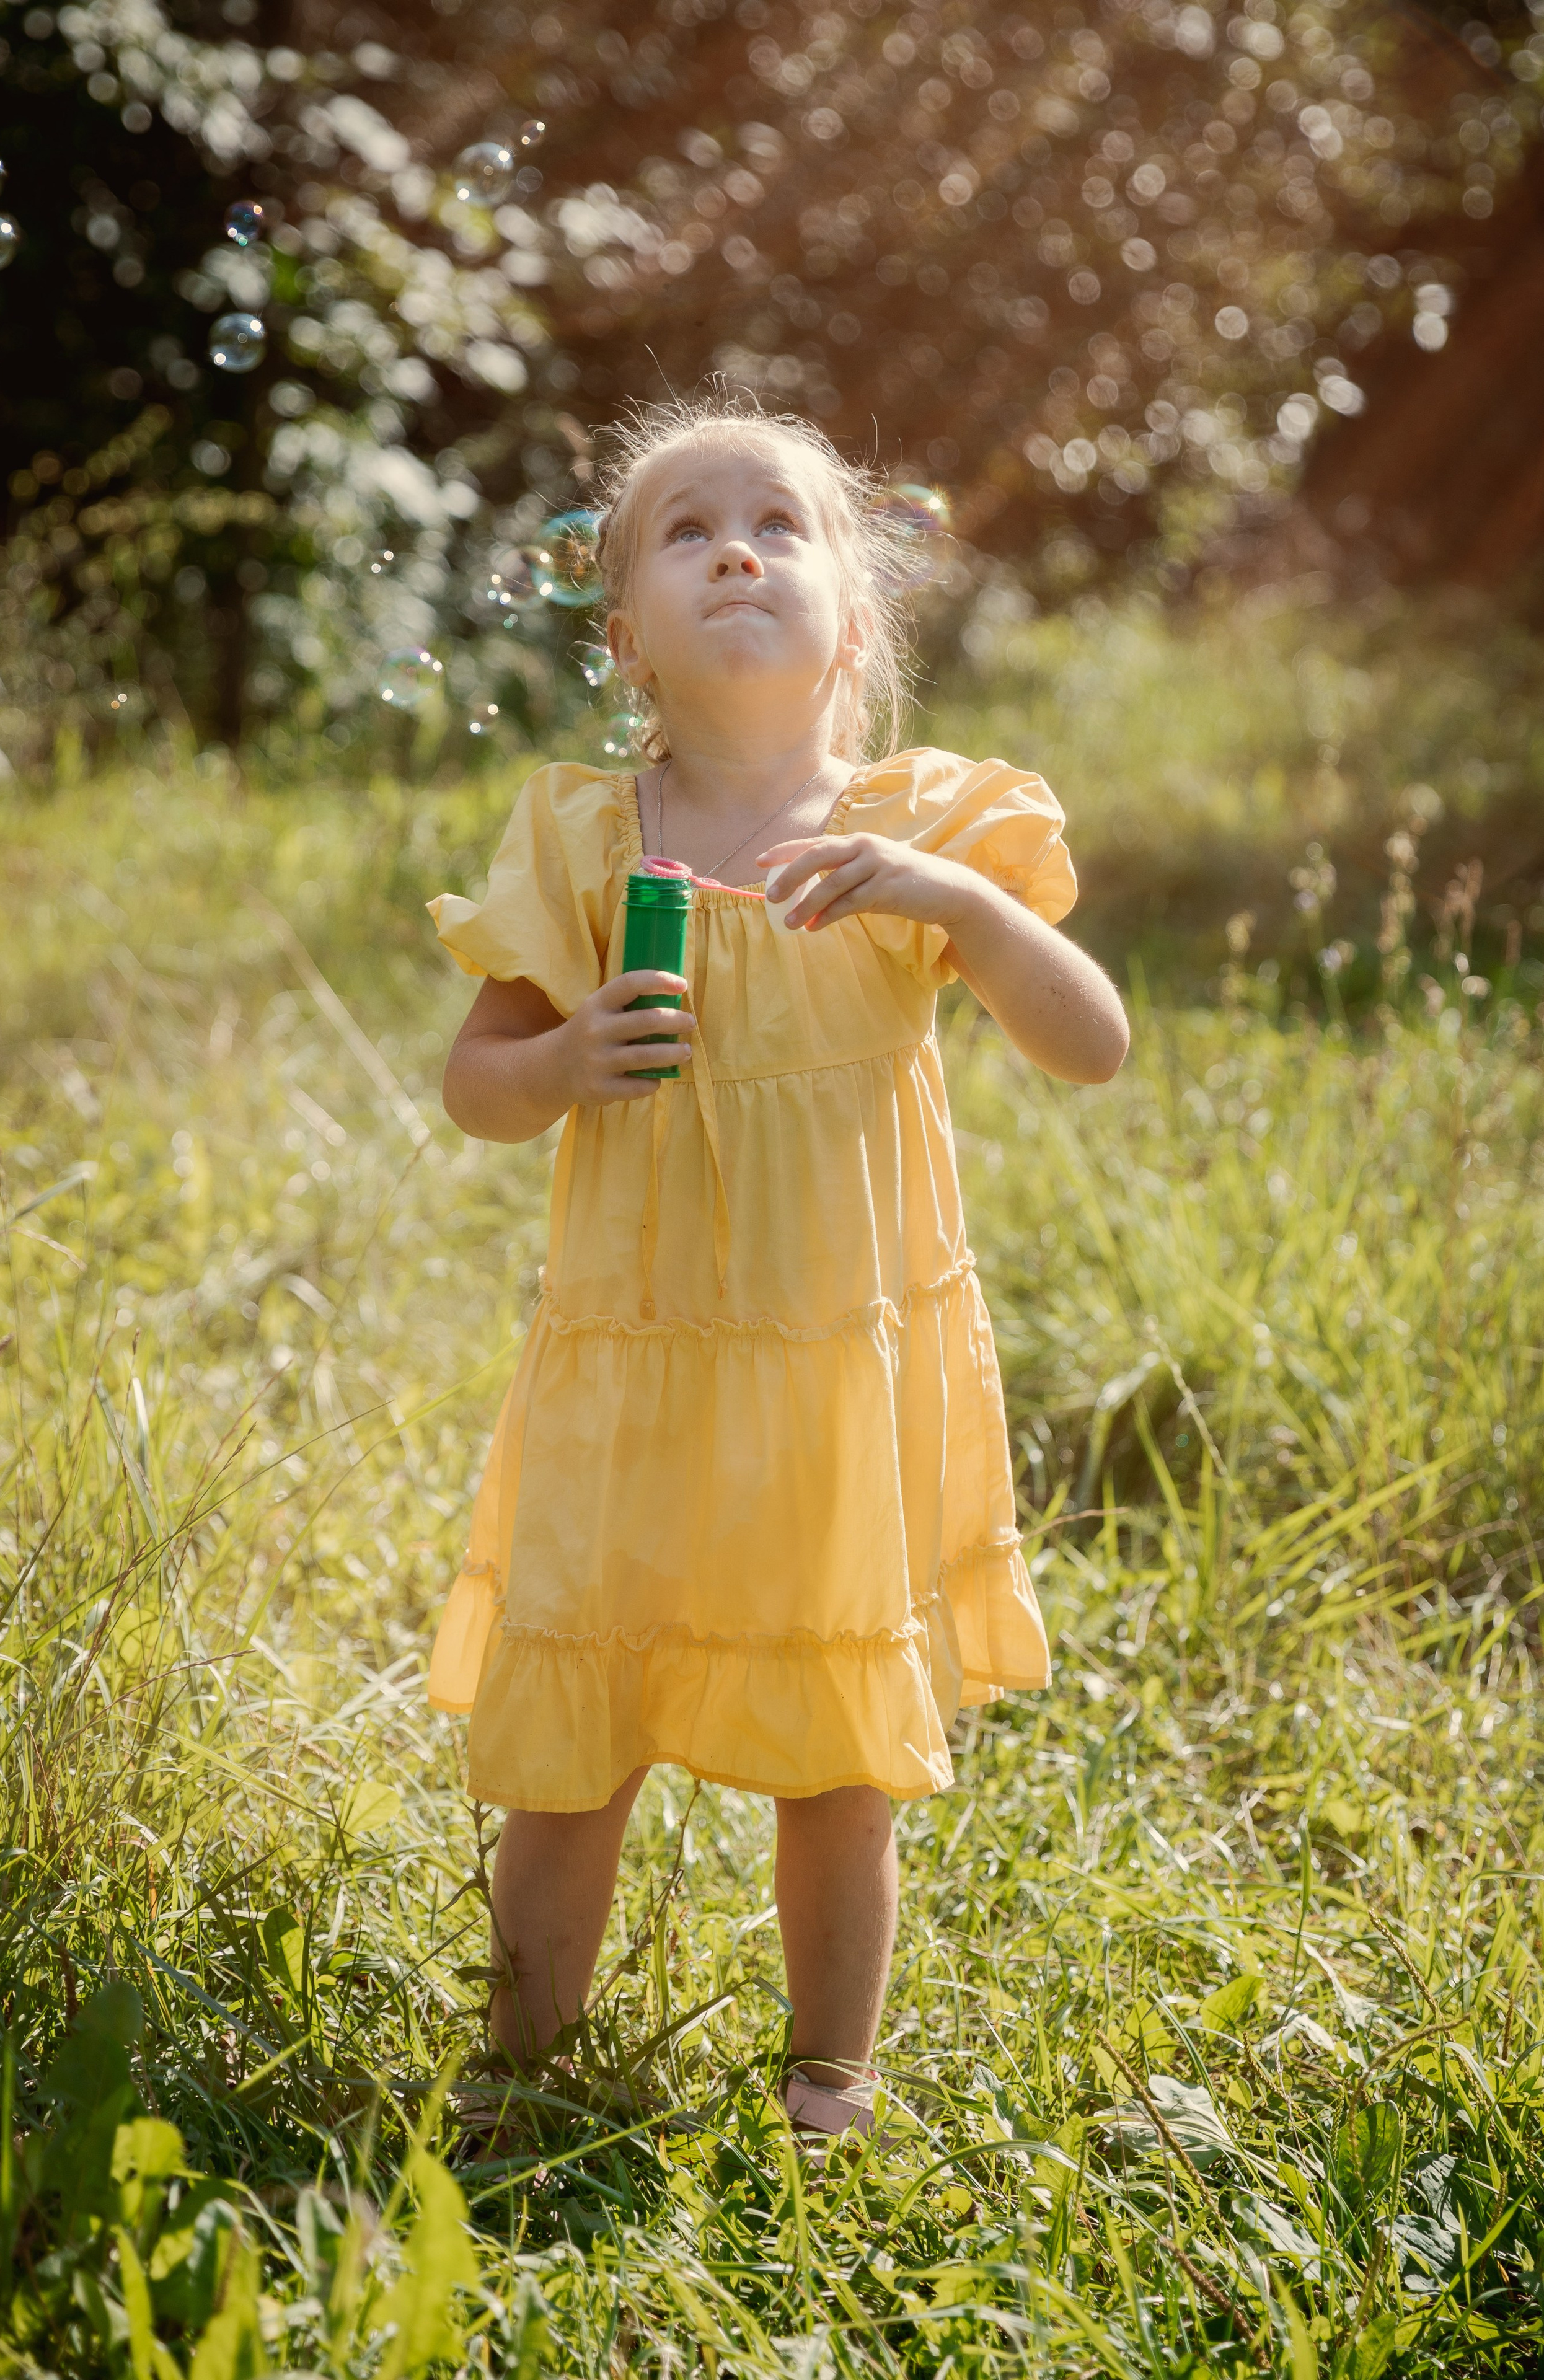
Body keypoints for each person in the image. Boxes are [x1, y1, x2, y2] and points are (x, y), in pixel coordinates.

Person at [427, 395, 1129, 2142]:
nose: (737, 547)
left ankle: (831, 2085)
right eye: (687, 530)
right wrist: (562, 1058)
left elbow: (1093, 1043)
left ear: (855, 623)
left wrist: (958, 905)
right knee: (577, 1732)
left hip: (835, 1369)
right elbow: (475, 1086)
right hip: (636, 1362)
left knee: (838, 1755)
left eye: (780, 525)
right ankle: (518, 2077)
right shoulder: (593, 841)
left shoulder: (928, 827)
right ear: (627, 638)